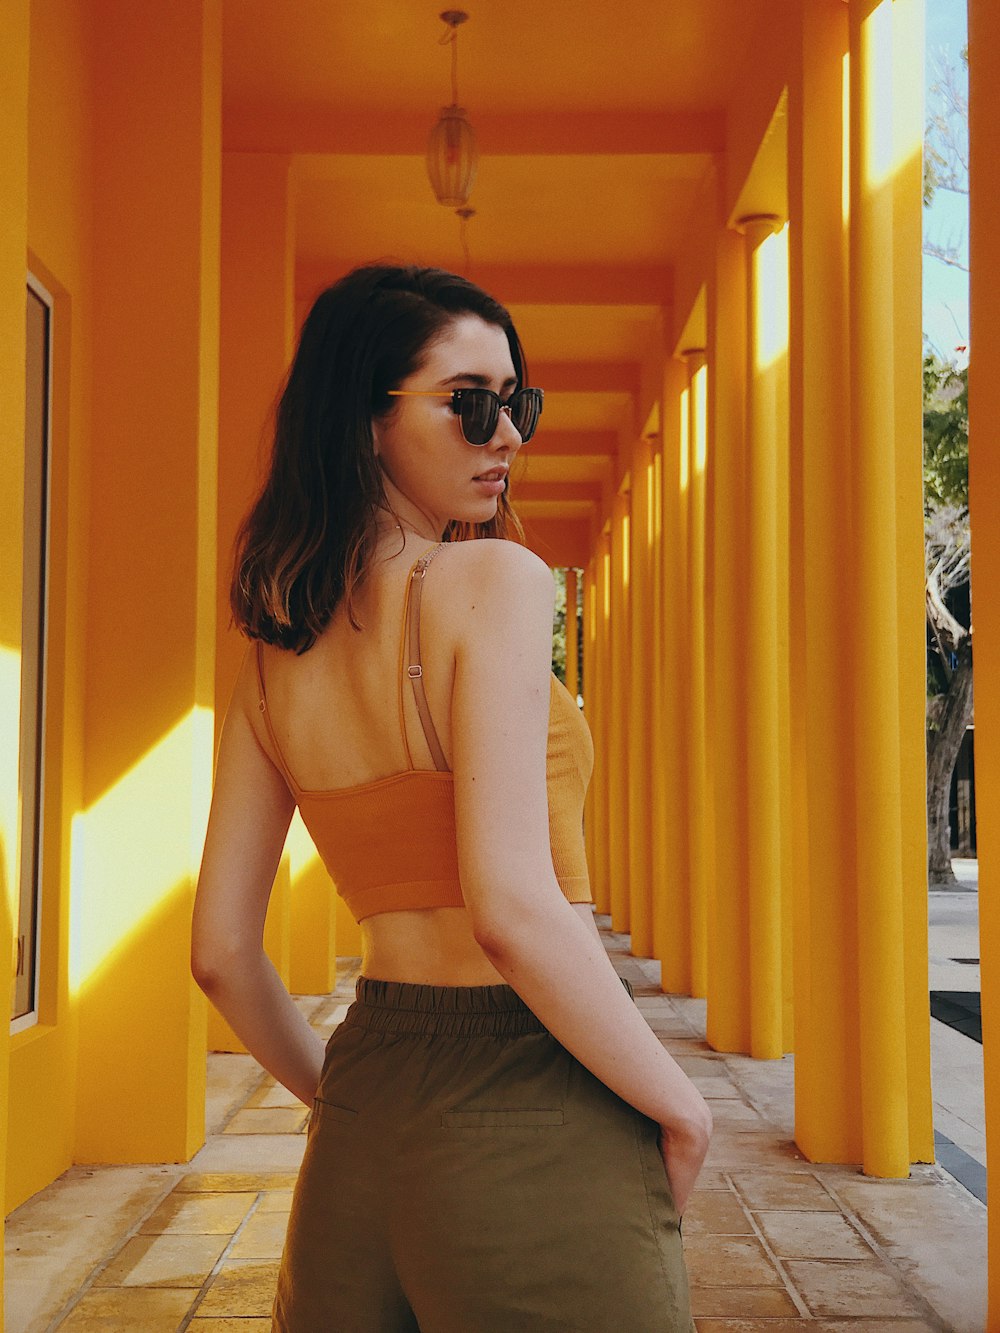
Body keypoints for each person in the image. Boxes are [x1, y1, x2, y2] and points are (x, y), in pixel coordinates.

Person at [191, 263, 712, 1331]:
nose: (508, 435)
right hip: (531, 1092)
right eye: (470, 403)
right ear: (367, 419)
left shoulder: (270, 658)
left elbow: (220, 954)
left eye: (517, 402)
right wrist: (680, 1102)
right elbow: (512, 907)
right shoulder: (497, 582)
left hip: (364, 1110)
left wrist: (344, 1099)